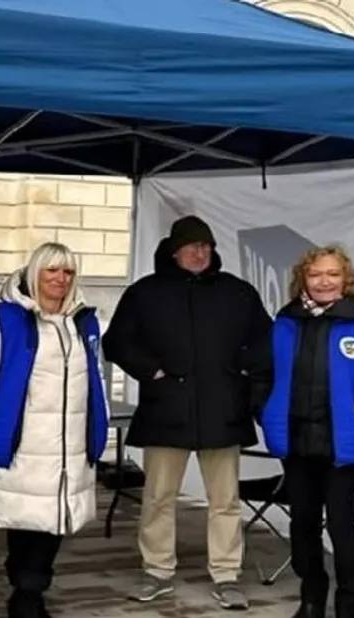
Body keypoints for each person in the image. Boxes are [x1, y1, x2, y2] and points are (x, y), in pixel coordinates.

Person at [102, 215, 271, 610]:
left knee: (225, 500)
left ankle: (227, 574)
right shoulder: (146, 293)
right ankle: (156, 571)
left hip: (223, 407)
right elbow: (117, 341)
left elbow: (267, 338)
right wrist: (151, 370)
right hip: (166, 409)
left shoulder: (238, 292)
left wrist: (242, 366)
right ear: (174, 251)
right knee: (159, 496)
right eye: (193, 246)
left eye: (206, 246)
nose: (200, 252)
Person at [250, 246, 354, 618]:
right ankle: (312, 599)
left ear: (345, 280)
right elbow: (260, 375)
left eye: (333, 274)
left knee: (341, 524)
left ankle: (349, 605)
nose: (324, 281)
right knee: (302, 522)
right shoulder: (283, 323)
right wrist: (265, 411)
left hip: (343, 446)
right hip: (297, 443)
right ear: (303, 279)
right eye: (316, 274)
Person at [0, 242, 110, 618]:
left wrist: (100, 423)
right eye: (53, 271)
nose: (61, 279)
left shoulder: (84, 321)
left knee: (55, 519)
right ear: (36, 273)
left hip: (69, 443)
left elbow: (96, 376)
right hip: (23, 441)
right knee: (25, 518)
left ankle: (30, 590)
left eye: (68, 272)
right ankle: (26, 591)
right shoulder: (7, 318)